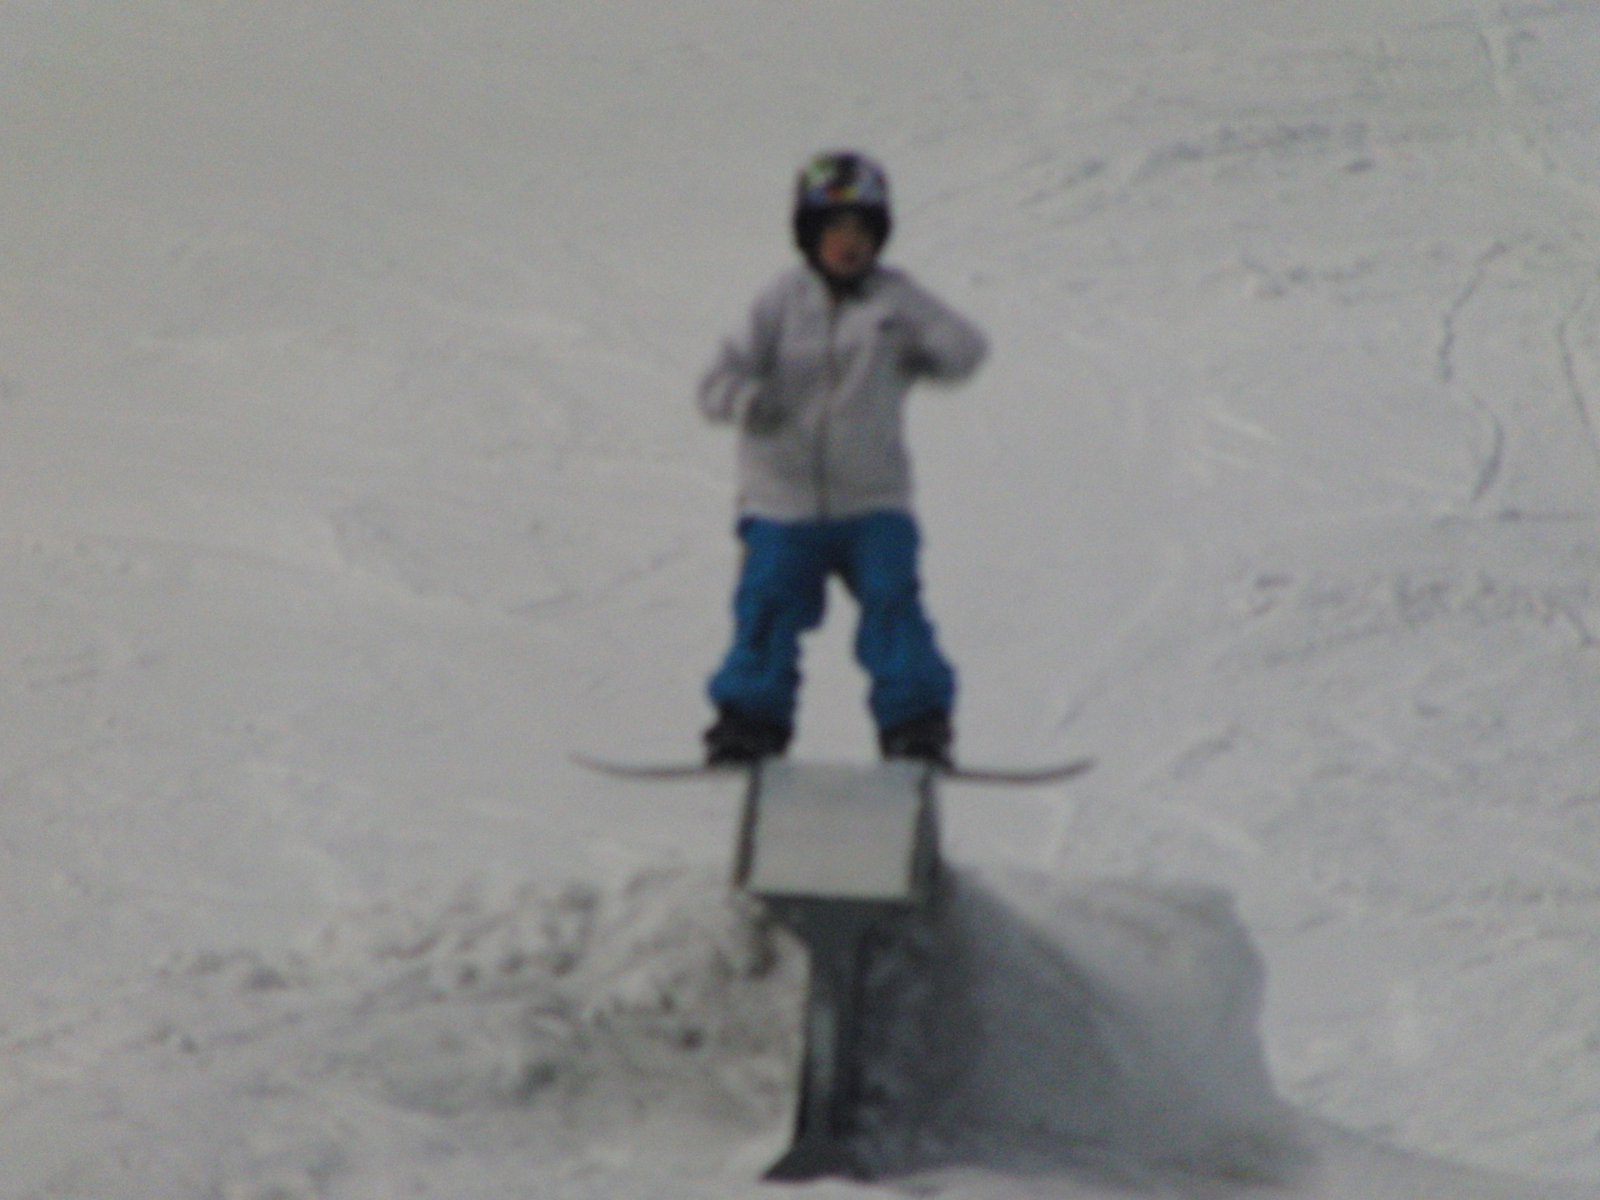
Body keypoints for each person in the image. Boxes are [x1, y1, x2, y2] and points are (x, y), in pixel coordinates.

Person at [697, 150, 987, 766]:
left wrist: (920, 340)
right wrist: (751, 399)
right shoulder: (780, 299)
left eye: (861, 231)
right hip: (782, 502)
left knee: (893, 604)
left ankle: (915, 724)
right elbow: (716, 381)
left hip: (872, 500)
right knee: (769, 607)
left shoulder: (893, 298)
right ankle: (749, 721)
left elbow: (963, 347)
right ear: (809, 236)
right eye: (833, 230)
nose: (848, 245)